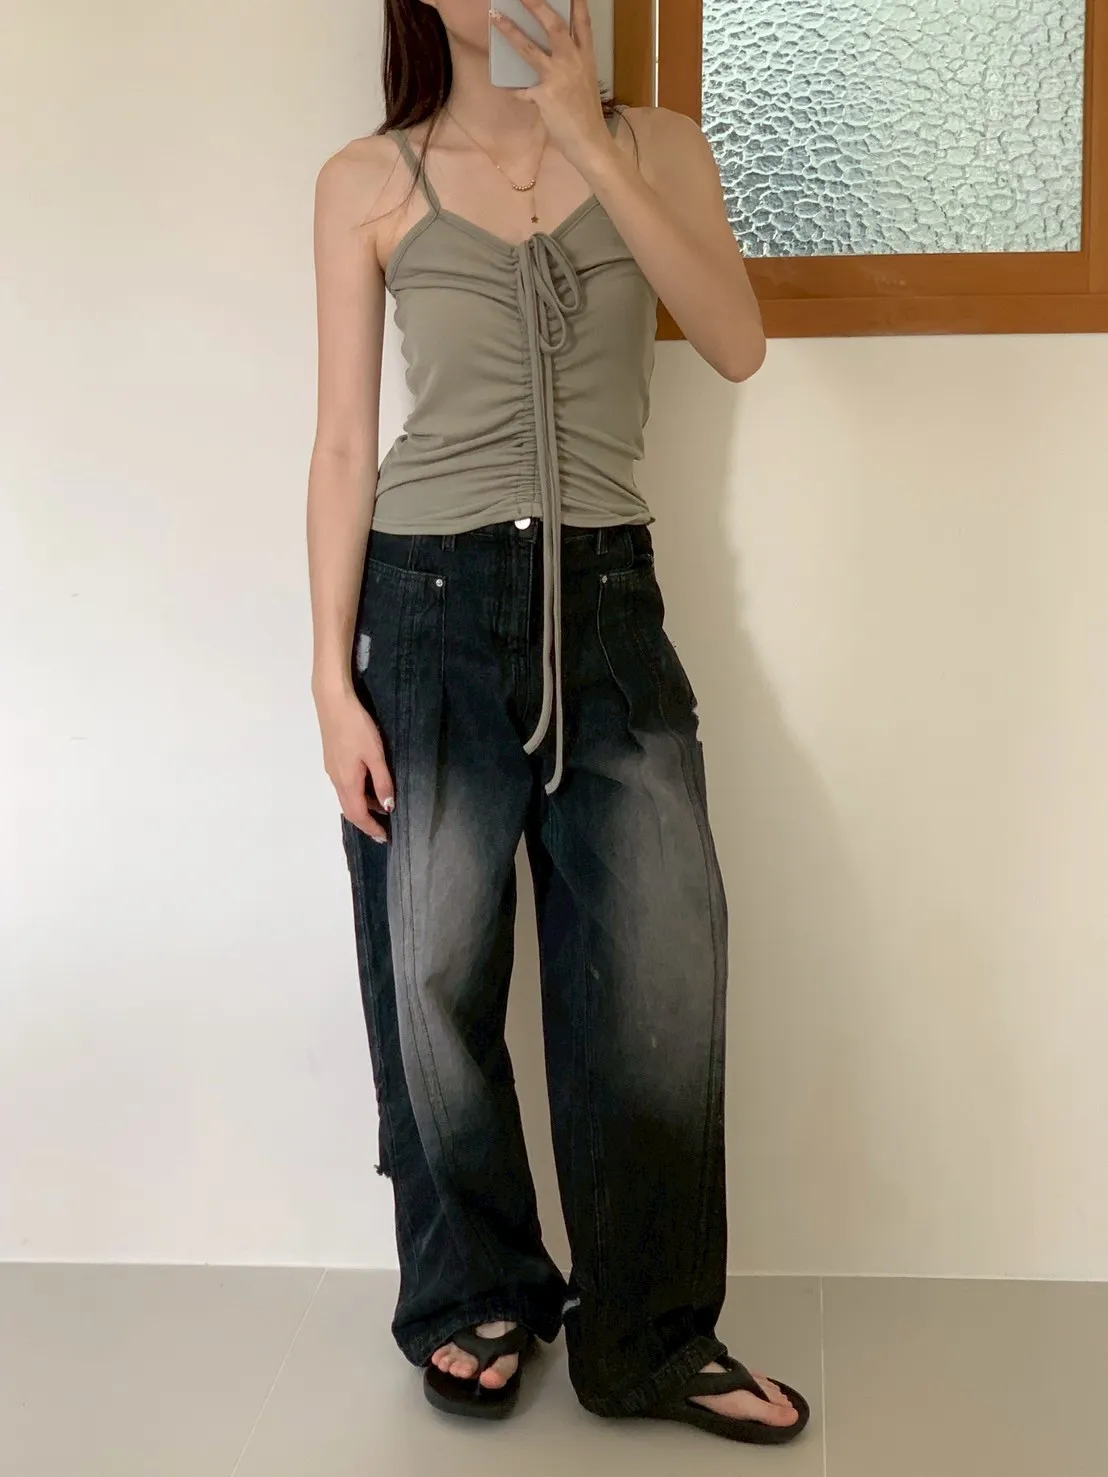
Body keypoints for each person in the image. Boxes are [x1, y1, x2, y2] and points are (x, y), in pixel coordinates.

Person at [307, 0, 808, 1446]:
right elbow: (343, 445)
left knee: (659, 979)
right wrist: (329, 680)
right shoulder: (367, 178)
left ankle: (650, 1334)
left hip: (608, 600)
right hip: (426, 606)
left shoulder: (660, 145)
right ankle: (477, 1294)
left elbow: (736, 341)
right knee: (432, 981)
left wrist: (589, 141)